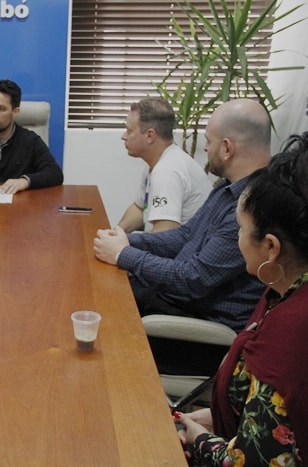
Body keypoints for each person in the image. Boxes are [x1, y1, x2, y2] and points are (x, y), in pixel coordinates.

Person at [93, 99, 269, 374]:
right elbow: (185, 236)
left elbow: (193, 279)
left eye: (208, 141)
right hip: (179, 305)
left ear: (227, 148)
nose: (205, 149)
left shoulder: (254, 205)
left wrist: (123, 254)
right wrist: (127, 241)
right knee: (99, 294)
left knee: (100, 330)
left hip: (201, 334)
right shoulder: (227, 188)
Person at [175, 132, 308, 465]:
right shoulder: (283, 289)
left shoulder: (290, 334)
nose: (237, 238)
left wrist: (199, 439)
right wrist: (217, 418)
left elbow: (248, 461)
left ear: (271, 246)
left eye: (240, 229)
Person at [118, 97, 211, 233]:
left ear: (150, 136)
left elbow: (164, 234)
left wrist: (122, 244)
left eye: (129, 131)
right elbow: (140, 208)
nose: (123, 136)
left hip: (183, 246)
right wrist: (116, 233)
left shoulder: (167, 172)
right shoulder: (157, 162)